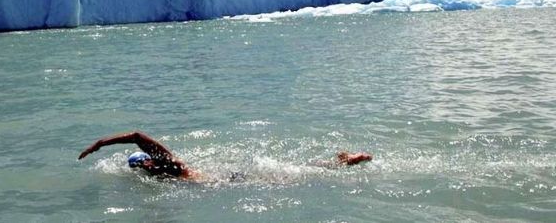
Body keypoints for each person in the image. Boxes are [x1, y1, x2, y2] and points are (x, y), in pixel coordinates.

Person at [78, 131, 372, 180]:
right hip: (228, 177)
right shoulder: (164, 173)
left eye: (142, 162)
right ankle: (338, 162)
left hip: (232, 180)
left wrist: (100, 143)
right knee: (293, 172)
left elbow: (138, 137)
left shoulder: (170, 165)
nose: (145, 165)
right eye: (141, 166)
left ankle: (341, 163)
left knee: (296, 176)